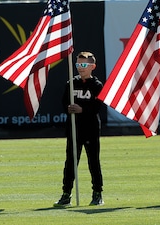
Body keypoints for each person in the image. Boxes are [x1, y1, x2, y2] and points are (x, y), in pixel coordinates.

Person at [53, 51, 106, 208]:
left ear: (92, 66)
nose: (80, 68)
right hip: (74, 128)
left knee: (93, 162)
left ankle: (97, 193)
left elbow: (97, 107)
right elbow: (64, 102)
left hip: (90, 128)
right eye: (78, 65)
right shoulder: (71, 83)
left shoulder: (97, 85)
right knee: (70, 162)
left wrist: (82, 109)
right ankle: (66, 194)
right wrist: (68, 108)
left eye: (84, 65)